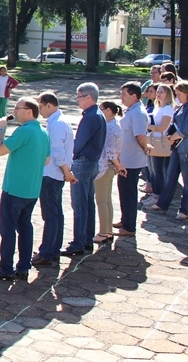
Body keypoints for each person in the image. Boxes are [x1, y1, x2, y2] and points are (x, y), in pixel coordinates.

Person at [0, 97, 50, 281]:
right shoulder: (43, 132)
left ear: (29, 111)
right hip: (32, 190)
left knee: (8, 229)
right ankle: (23, 267)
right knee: (25, 227)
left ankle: (6, 267)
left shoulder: (24, 131)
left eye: (18, 108)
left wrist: (2, 129)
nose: (15, 111)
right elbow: (47, 160)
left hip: (14, 189)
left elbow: (0, 150)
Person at [149, 80, 188, 220]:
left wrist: (171, 138)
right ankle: (163, 204)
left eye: (179, 94)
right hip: (178, 147)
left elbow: (185, 129)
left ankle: (184, 210)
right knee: (171, 175)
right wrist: (170, 136)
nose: (177, 97)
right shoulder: (182, 106)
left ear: (187, 93)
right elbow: (174, 123)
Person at [32, 92, 75, 267]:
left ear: (49, 105)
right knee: (56, 213)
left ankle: (47, 252)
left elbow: (57, 152)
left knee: (50, 215)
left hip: (52, 174)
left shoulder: (56, 124)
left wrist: (66, 171)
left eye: (40, 106)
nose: (39, 110)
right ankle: (53, 249)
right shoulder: (59, 121)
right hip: (56, 174)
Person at [63, 82, 105, 257]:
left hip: (83, 162)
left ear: (89, 97)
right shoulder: (98, 115)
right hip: (92, 163)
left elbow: (79, 142)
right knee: (87, 204)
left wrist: (71, 157)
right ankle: (86, 240)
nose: (77, 100)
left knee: (80, 205)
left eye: (79, 96)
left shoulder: (90, 117)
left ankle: (78, 243)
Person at [115, 82, 147, 237]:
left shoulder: (138, 113)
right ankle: (125, 219)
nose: (121, 98)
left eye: (124, 95)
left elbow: (140, 137)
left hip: (131, 161)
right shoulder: (132, 111)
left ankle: (129, 227)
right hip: (125, 160)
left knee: (129, 194)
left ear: (134, 96)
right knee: (124, 192)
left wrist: (145, 149)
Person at [93, 101, 123, 245]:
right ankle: (108, 230)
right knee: (106, 200)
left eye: (102, 110)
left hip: (105, 167)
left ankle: (103, 232)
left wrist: (118, 165)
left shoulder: (110, 127)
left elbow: (111, 152)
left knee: (101, 201)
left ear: (109, 111)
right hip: (110, 167)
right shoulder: (114, 124)